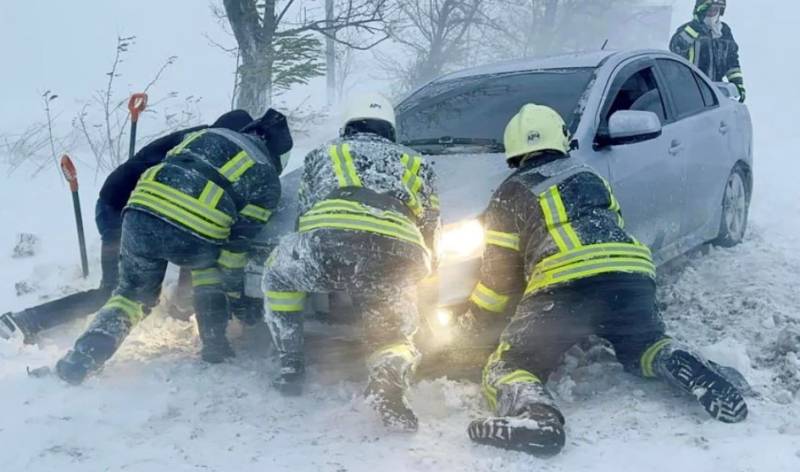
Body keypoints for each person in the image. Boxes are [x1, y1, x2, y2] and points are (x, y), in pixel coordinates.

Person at [461, 104, 748, 457]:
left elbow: (499, 281)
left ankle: (537, 418)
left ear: (513, 151)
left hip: (564, 286)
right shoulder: (589, 176)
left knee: (511, 365)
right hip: (632, 276)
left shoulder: (509, 193)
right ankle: (678, 360)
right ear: (560, 139)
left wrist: (475, 322)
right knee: (642, 345)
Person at [54, 108, 293, 385]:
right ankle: (215, 347)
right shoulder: (266, 178)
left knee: (131, 295)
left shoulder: (204, 135)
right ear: (277, 154)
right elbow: (234, 250)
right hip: (194, 232)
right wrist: (237, 298)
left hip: (139, 214)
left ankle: (83, 357)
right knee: (208, 272)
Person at [262, 93, 440, 431]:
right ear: (390, 129)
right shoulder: (419, 162)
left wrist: (320, 260)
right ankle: (389, 377)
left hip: (330, 242)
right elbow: (431, 223)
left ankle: (291, 362)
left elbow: (304, 214)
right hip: (397, 249)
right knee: (394, 330)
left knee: (279, 276)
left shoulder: (324, 153)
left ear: (347, 125)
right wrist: (421, 272)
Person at [0, 110, 254, 343]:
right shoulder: (206, 149)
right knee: (114, 292)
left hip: (146, 209)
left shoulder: (202, 141)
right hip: (121, 210)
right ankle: (25, 321)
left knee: (194, 241)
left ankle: (180, 306)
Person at [670, 0, 745, 102]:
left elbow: (732, 62)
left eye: (715, 10)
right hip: (691, 91)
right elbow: (676, 47)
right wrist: (695, 28)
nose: (712, 14)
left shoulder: (724, 31)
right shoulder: (688, 29)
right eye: (708, 10)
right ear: (701, 11)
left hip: (716, 92)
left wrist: (737, 83)